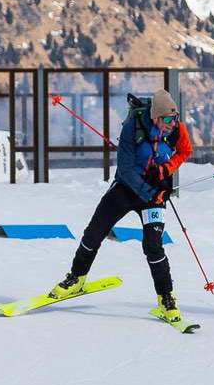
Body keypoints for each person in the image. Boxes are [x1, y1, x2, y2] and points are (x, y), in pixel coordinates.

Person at [50, 90, 192, 322]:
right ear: (155, 117)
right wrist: (150, 191)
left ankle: (166, 299)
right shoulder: (132, 127)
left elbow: (186, 150)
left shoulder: (177, 129)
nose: (172, 124)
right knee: (95, 231)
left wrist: (166, 169)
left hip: (155, 194)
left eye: (175, 118)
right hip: (126, 188)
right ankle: (76, 278)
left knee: (153, 246)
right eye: (167, 119)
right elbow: (125, 170)